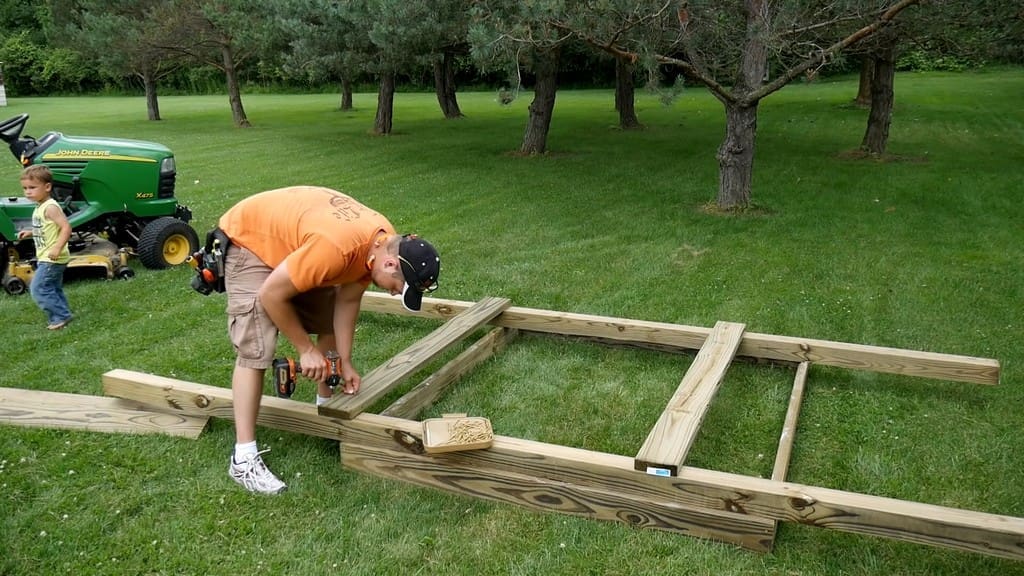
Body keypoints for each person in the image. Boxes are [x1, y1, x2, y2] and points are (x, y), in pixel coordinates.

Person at [217, 185, 440, 494]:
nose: (392, 292)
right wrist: (305, 350)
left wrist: (344, 361)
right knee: (256, 348)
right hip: (250, 240)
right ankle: (243, 459)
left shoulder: (381, 240)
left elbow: (347, 302)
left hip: (303, 241)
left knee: (325, 319)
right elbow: (271, 294)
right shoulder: (337, 249)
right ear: (390, 264)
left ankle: (328, 415)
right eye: (397, 287)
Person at [16, 165, 73, 330]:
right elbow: (47, 229)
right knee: (53, 287)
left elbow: (66, 227)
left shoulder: (50, 207)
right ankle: (63, 313)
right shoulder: (40, 206)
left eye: (32, 188)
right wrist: (31, 232)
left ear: (47, 187)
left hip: (52, 257)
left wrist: (57, 247)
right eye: (25, 188)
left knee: (38, 288)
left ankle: (60, 317)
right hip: (46, 256)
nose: (27, 192)